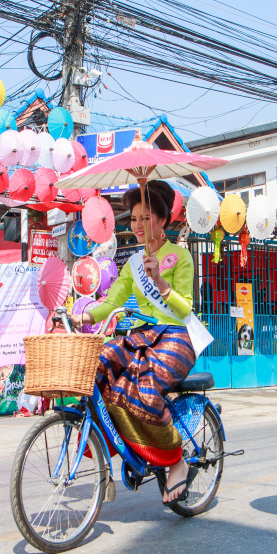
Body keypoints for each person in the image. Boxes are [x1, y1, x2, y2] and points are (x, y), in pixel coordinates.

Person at [70, 181, 209, 505]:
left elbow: (186, 308)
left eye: (145, 218)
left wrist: (160, 281)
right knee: (99, 363)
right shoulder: (133, 263)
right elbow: (111, 300)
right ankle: (112, 453)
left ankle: (175, 461)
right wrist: (84, 318)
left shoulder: (181, 256)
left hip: (176, 336)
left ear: (161, 220)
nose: (137, 225)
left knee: (144, 391)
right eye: (133, 219)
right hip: (145, 338)